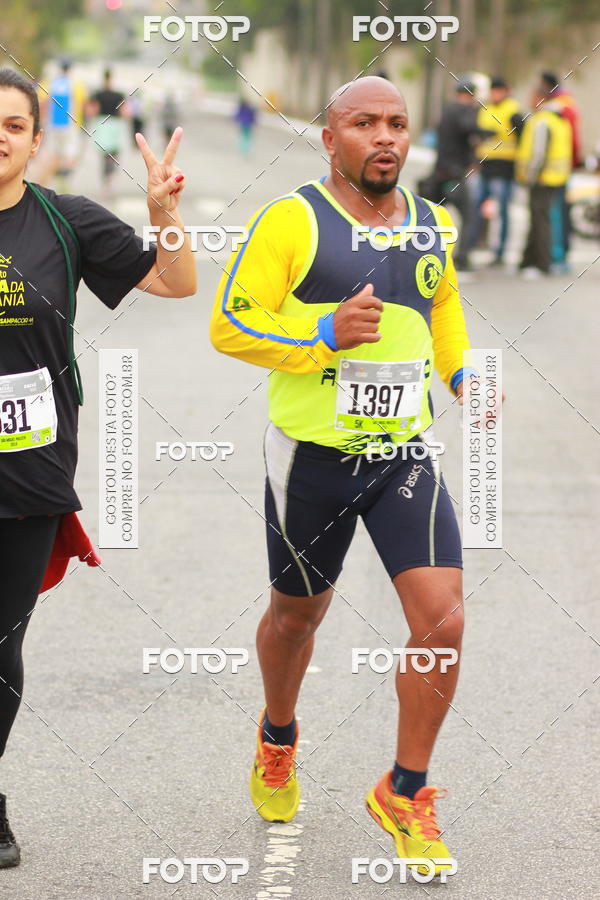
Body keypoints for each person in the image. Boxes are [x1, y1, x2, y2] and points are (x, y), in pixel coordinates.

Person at [210, 75, 477, 875]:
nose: (385, 136)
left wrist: (464, 377)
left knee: (443, 619)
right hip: (311, 462)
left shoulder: (434, 223)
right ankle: (279, 735)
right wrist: (323, 333)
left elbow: (444, 308)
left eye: (397, 122)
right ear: (330, 139)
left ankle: (406, 789)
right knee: (297, 619)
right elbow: (230, 324)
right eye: (364, 123)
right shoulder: (293, 220)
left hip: (399, 454)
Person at [0, 66, 196, 867]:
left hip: (29, 469)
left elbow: (177, 281)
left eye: (12, 125)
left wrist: (164, 217)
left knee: (0, 644)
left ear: (36, 142)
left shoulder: (64, 220)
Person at [429, 79, 492, 273]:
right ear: (470, 95)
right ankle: (462, 258)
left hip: (440, 171)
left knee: (432, 217)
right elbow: (468, 128)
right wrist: (486, 132)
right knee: (469, 215)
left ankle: (427, 254)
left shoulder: (447, 110)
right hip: (454, 175)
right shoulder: (462, 110)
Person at [516, 85, 572, 278]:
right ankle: (528, 260)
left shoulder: (542, 121)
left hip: (542, 178)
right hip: (555, 177)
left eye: (532, 96)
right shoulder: (559, 120)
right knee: (540, 218)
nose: (530, 101)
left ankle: (541, 263)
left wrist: (530, 177)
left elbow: (539, 153)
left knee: (540, 221)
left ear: (541, 98)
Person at [470, 77, 523, 265]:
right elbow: (477, 134)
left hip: (505, 168)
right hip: (485, 167)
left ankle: (500, 252)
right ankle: (471, 246)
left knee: (502, 211)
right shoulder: (485, 109)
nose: (495, 94)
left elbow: (522, 139)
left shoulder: (514, 111)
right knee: (476, 207)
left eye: (499, 90)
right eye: (493, 91)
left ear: (506, 91)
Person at [541, 71, 583, 273]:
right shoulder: (567, 106)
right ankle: (560, 256)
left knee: (556, 214)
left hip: (554, 172)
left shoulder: (557, 109)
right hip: (564, 168)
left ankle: (558, 256)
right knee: (561, 213)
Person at [38, 59, 87, 191]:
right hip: (71, 125)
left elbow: (42, 103)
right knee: (71, 155)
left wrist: (42, 121)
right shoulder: (76, 85)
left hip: (53, 125)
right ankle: (63, 178)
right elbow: (83, 105)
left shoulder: (50, 83)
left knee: (54, 153)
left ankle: (53, 180)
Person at [87, 69, 127, 198]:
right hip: (115, 124)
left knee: (104, 156)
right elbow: (124, 112)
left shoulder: (97, 94)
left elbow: (92, 110)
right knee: (114, 154)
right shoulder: (119, 95)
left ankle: (106, 183)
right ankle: (111, 179)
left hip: (102, 124)